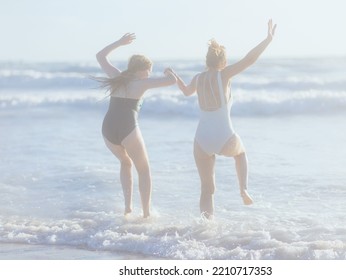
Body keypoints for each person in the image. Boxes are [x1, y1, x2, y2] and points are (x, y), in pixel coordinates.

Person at [169, 20, 277, 218]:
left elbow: (185, 91)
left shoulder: (197, 78)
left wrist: (174, 75)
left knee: (207, 190)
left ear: (207, 61)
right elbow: (249, 59)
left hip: (201, 139)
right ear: (223, 62)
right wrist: (268, 40)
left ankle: (205, 227)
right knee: (241, 154)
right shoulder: (225, 75)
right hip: (224, 136)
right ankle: (243, 189)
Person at [95, 33, 177, 218]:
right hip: (127, 127)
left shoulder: (116, 76)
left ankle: (128, 208)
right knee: (144, 170)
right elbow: (172, 81)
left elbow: (100, 56)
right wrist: (168, 72)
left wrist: (119, 43)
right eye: (148, 70)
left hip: (108, 128)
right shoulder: (142, 83)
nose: (149, 74)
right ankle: (146, 213)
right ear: (141, 70)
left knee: (125, 162)